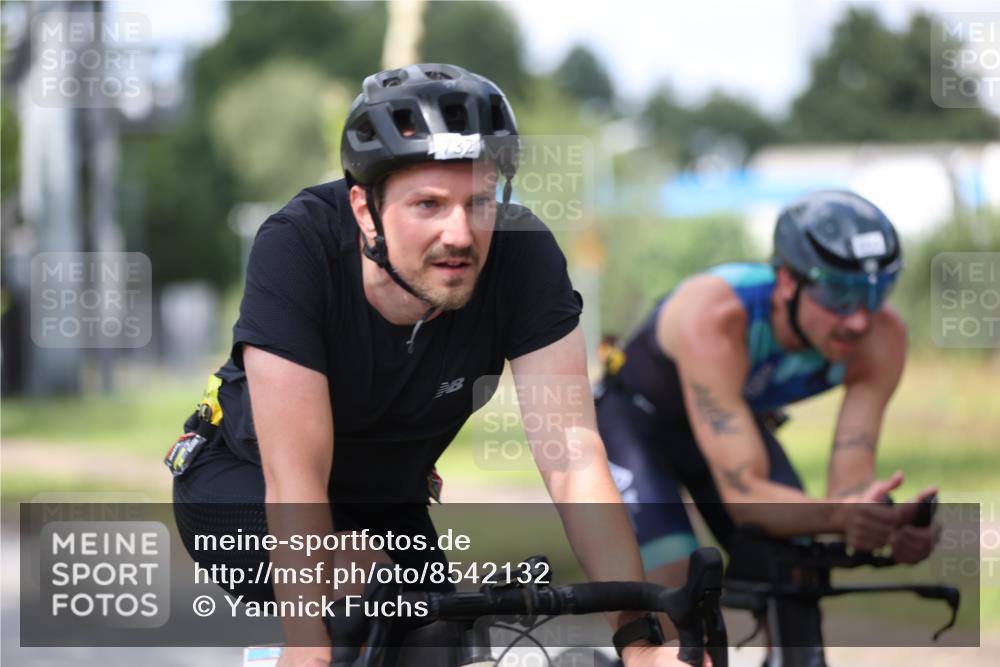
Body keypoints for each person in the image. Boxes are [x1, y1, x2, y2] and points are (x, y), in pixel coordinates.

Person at [172, 63, 696, 667]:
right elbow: (296, 479)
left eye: (480, 202)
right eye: (428, 204)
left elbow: (573, 457)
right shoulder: (298, 248)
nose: (460, 234)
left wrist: (639, 642)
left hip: (388, 499)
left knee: (444, 638)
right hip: (246, 482)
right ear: (365, 209)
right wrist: (307, 642)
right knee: (372, 598)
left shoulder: (522, 258)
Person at [595, 190, 940, 590]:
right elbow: (745, 498)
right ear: (787, 281)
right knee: (671, 584)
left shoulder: (882, 338)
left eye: (876, 294)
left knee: (800, 566)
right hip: (637, 425)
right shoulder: (717, 315)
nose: (859, 321)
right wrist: (839, 516)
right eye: (838, 295)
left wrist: (878, 520)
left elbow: (850, 490)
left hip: (727, 424)